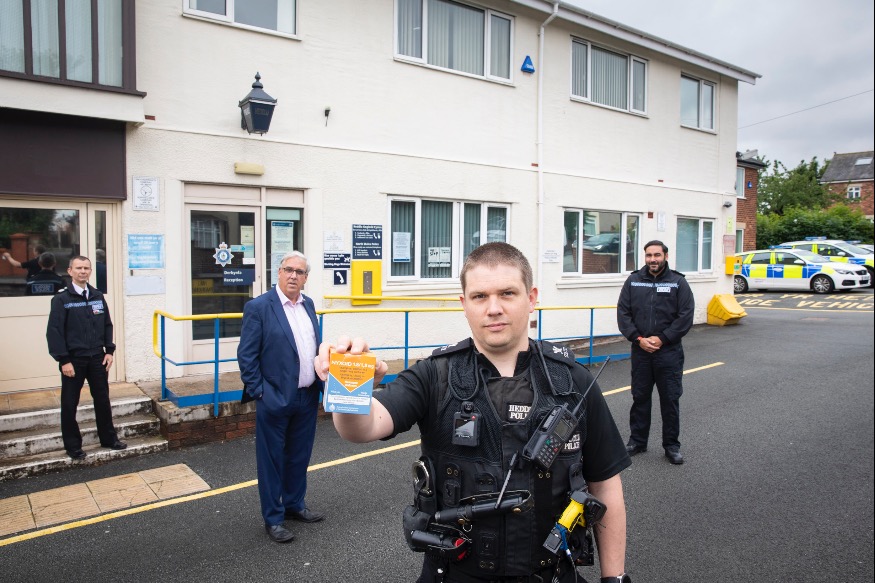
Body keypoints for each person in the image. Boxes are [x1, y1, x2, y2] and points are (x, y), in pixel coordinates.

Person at [316, 242, 631, 583]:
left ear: (531, 298)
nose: (493, 308)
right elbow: (361, 429)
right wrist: (349, 385)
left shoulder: (572, 380)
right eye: (480, 296)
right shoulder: (434, 375)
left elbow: (605, 484)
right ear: (464, 304)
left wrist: (614, 578)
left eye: (507, 293)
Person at [237, 251, 325, 544]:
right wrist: (260, 392)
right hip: (274, 398)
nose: (293, 276)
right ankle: (273, 518)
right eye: (288, 270)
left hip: (307, 396)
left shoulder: (308, 304)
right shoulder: (259, 307)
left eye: (299, 272)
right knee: (271, 461)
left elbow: (312, 346)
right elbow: (247, 356)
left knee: (299, 456)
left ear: (306, 278)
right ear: (279, 272)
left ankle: (294, 504)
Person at [617, 240, 694, 465]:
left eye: (657, 255)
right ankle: (637, 441)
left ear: (665, 256)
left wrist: (663, 338)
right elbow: (623, 313)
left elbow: (685, 316)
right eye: (649, 255)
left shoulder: (678, 282)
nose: (653, 259)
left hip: (668, 353)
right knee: (640, 397)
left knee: (670, 400)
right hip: (641, 351)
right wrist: (638, 339)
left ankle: (671, 446)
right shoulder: (633, 281)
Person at [46, 256, 127, 460]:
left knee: (102, 400)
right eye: (79, 268)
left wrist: (109, 351)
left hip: (97, 358)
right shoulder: (61, 299)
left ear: (90, 271)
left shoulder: (97, 296)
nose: (83, 271)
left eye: (86, 268)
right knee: (69, 403)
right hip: (74, 360)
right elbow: (54, 332)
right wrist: (64, 360)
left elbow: (107, 325)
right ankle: (73, 446)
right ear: (70, 271)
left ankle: (109, 439)